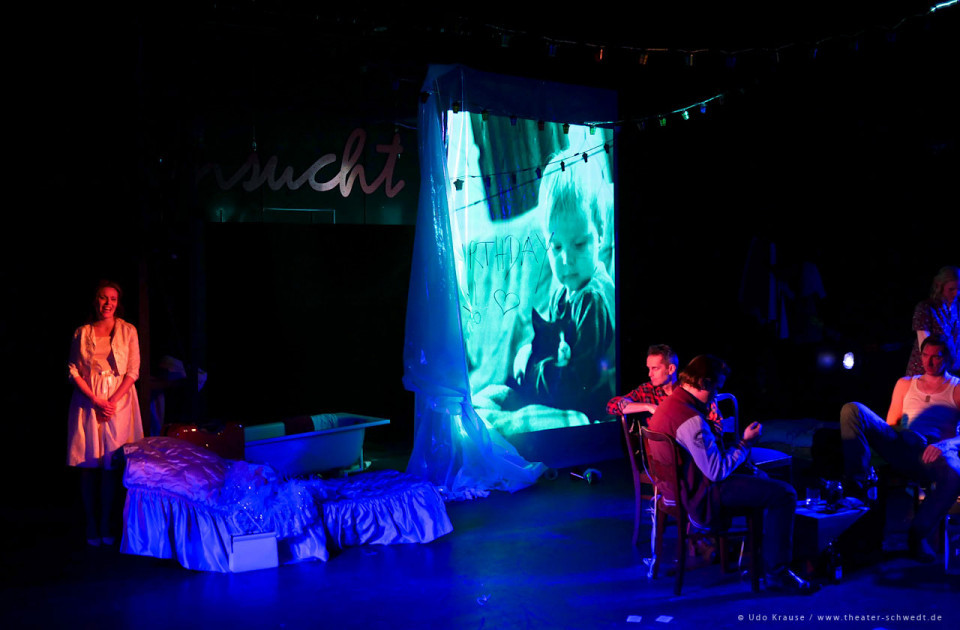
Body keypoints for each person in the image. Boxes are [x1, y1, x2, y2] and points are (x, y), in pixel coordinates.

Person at [649, 355, 817, 593]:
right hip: (703, 495)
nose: (716, 395)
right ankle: (777, 573)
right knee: (785, 494)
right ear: (704, 382)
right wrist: (745, 444)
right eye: (716, 389)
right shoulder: (691, 420)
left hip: (680, 490)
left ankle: (761, 556)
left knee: (762, 480)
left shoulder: (669, 405)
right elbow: (716, 471)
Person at [841, 334, 960, 562]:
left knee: (956, 473)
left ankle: (918, 535)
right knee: (852, 409)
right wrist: (905, 434)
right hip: (903, 445)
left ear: (947, 358)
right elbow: (890, 424)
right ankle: (856, 485)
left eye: (936, 357)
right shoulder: (905, 383)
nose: (929, 362)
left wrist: (944, 444)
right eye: (925, 355)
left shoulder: (956, 388)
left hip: (935, 452)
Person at [514, 159, 615, 420]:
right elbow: (550, 347)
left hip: (597, 409)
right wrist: (528, 351)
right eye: (556, 247)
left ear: (600, 232)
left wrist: (532, 370)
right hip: (565, 394)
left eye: (579, 244)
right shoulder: (561, 294)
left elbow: (576, 384)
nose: (567, 260)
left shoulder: (592, 298)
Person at [67, 280, 144, 546]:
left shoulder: (128, 330)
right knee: (88, 464)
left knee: (112, 465)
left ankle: (106, 522)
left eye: (112, 299)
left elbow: (133, 371)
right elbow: (73, 369)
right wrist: (94, 399)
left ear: (117, 302)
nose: (107, 303)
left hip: (118, 400)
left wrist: (111, 401)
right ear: (95, 300)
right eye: (103, 297)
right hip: (89, 399)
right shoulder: (82, 332)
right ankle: (91, 523)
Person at [906, 265, 959, 376]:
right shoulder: (926, 308)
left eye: (959, 289)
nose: (956, 293)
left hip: (949, 372)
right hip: (926, 371)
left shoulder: (957, 309)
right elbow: (925, 346)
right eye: (951, 289)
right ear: (940, 286)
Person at [607, 344, 679, 417]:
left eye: (655, 368)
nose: (650, 374)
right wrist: (647, 406)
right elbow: (611, 406)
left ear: (671, 369)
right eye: (649, 369)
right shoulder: (646, 390)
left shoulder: (684, 390)